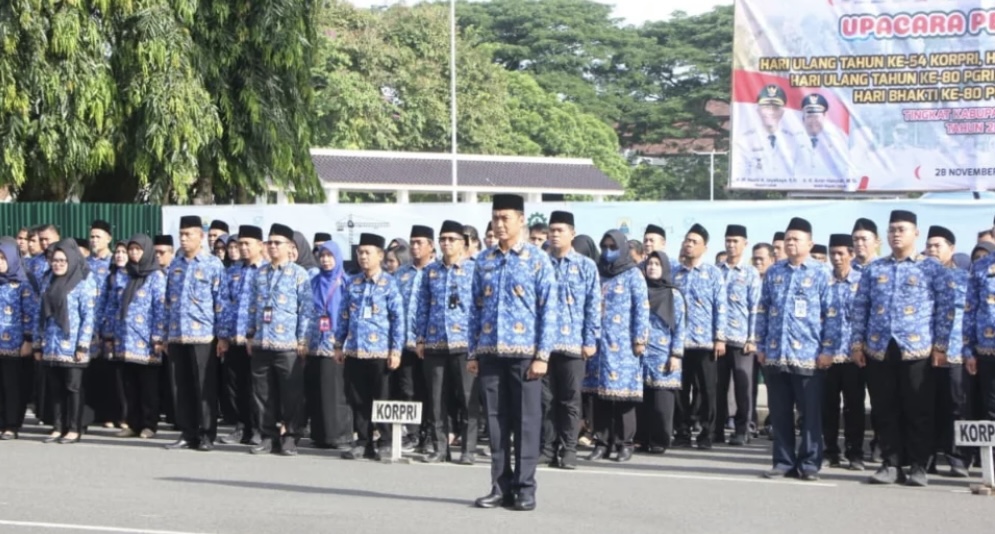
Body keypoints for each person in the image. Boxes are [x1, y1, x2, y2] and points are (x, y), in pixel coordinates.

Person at [852, 210, 954, 487]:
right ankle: (891, 464)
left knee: (918, 409)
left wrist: (940, 347)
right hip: (879, 348)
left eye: (902, 229)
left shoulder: (931, 268)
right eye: (892, 229)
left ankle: (919, 465)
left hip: (917, 348)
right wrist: (857, 344)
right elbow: (861, 307)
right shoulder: (875, 268)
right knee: (884, 409)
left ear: (915, 234)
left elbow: (946, 309)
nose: (896, 233)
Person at [469, 194, 556, 512]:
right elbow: (474, 311)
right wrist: (473, 352)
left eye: (506, 217)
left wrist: (542, 355)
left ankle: (525, 487)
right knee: (495, 423)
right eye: (495, 217)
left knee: (527, 422)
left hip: (525, 356)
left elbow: (549, 310)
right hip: (491, 352)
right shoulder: (484, 260)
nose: (500, 224)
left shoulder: (536, 259)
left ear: (521, 219)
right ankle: (499, 486)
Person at [756, 217, 832, 481]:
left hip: (809, 355)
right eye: (787, 239)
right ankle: (783, 461)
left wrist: (828, 349)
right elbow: (763, 310)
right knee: (779, 412)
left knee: (810, 415)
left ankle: (810, 463)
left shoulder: (821, 273)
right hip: (777, 354)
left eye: (796, 239)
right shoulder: (775, 272)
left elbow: (831, 315)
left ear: (809, 243)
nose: (790, 243)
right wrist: (761, 345)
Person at [538, 211, 600, 469]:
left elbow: (593, 304)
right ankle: (547, 448)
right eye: (551, 230)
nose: (554, 235)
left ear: (572, 234)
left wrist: (590, 338)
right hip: (544, 345)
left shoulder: (585, 266)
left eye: (559, 230)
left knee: (570, 400)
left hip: (574, 344)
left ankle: (569, 449)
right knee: (545, 400)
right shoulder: (540, 262)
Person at [415, 220, 479, 464]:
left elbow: (481, 307)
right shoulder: (431, 271)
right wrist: (420, 337)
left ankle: (468, 449)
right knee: (436, 398)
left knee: (467, 397)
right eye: (443, 239)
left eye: (451, 239)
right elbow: (421, 306)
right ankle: (440, 447)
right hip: (435, 342)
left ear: (463, 242)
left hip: (465, 344)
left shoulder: (475, 269)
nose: (446, 243)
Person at [335, 233, 403, 461]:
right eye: (360, 252)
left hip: (381, 351)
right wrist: (338, 344)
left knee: (381, 398)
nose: (363, 257)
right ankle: (362, 441)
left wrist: (396, 350)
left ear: (380, 256)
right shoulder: (353, 282)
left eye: (368, 253)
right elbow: (343, 315)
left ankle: (384, 441)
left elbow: (398, 319)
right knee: (358, 398)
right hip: (355, 350)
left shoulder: (389, 284)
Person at [247, 224, 312, 457]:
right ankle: (267, 437)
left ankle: (291, 437)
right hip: (262, 342)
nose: (273, 246)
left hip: (288, 345)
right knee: (262, 393)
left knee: (291, 394)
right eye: (270, 242)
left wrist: (303, 340)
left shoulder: (299, 274)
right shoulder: (260, 274)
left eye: (278, 243)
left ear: (290, 247)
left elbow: (306, 310)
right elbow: (251, 306)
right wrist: (249, 334)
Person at [164, 215, 228, 452]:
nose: (183, 238)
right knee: (181, 386)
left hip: (203, 335)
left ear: (201, 236)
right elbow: (167, 302)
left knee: (204, 387)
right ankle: (187, 432)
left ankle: (206, 433)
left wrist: (222, 336)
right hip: (177, 334)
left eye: (188, 234)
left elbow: (220, 302)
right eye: (181, 234)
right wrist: (164, 335)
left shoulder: (212, 264)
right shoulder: (176, 264)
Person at [584, 231, 648, 463]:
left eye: (613, 246)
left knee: (623, 397)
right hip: (598, 346)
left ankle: (624, 443)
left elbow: (642, 309)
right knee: (599, 396)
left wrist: (640, 339)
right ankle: (602, 442)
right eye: (605, 246)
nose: (609, 251)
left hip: (623, 345)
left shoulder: (633, 275)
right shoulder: (597, 274)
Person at [104, 235, 167, 439]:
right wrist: (110, 333)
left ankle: (149, 424)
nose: (133, 253)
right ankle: (133, 423)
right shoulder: (123, 275)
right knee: (128, 386)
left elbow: (160, 308)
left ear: (146, 251)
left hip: (146, 341)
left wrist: (158, 337)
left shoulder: (156, 276)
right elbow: (113, 305)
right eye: (131, 249)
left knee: (148, 386)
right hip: (124, 339)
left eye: (138, 249)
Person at [35, 240, 97, 444]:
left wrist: (83, 345)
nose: (58, 264)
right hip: (51, 345)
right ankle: (58, 426)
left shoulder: (83, 281)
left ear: (71, 261)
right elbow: (40, 314)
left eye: (63, 261)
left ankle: (74, 428)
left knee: (73, 387)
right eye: (55, 260)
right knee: (55, 389)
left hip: (72, 346)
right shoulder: (48, 281)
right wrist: (38, 343)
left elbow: (88, 315)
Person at [673, 224, 727, 449]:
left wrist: (720, 337)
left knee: (707, 390)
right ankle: (682, 433)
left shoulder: (713, 273)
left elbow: (720, 306)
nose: (689, 244)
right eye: (687, 240)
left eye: (694, 241)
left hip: (706, 342)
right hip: (680, 343)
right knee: (680, 390)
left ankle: (707, 433)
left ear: (705, 247)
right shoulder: (675, 273)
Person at [924, 225, 970, 478]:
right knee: (926, 407)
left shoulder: (964, 278)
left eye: (937, 245)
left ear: (951, 249)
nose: (931, 250)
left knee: (955, 408)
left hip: (955, 354)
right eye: (928, 245)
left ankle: (956, 459)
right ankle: (926, 458)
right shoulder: (920, 275)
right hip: (924, 354)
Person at [821, 234, 865, 471]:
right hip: (827, 355)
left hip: (853, 356)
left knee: (854, 407)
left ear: (851, 254)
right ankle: (830, 451)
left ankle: (855, 453)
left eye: (841, 253)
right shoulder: (822, 281)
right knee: (828, 408)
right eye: (833, 253)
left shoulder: (862, 280)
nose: (836, 258)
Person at [218, 226, 265, 446]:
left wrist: (253, 334)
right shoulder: (232, 271)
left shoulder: (266, 271)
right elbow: (225, 304)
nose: (243, 248)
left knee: (255, 387)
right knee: (235, 385)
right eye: (240, 244)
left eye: (248, 244)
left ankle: (257, 428)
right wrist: (223, 336)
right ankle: (241, 427)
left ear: (260, 246)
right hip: (233, 338)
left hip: (256, 340)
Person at [716, 224, 761, 446]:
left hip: (742, 340)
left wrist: (752, 338)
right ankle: (715, 430)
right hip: (718, 340)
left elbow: (755, 308)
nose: (731, 245)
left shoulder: (751, 273)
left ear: (745, 244)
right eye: (728, 240)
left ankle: (742, 430)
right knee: (718, 387)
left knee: (743, 388)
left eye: (735, 241)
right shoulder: (716, 271)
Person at [305, 241, 353, 450]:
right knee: (317, 390)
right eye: (322, 256)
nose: (325, 260)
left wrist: (341, 342)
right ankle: (320, 434)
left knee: (336, 390)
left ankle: (340, 435)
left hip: (336, 344)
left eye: (329, 256)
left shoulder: (345, 282)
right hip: (315, 342)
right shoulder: (314, 282)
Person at [639, 251, 685, 454]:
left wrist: (676, 354)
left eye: (657, 264)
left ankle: (660, 440)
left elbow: (680, 326)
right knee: (642, 401)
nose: (652, 267)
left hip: (664, 355)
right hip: (641, 354)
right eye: (650, 263)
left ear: (665, 268)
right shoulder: (640, 290)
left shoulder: (673, 294)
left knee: (661, 403)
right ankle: (642, 438)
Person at [393, 226, 434, 451]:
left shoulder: (436, 271)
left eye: (420, 243)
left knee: (430, 391)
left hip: (430, 344)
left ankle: (429, 435)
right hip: (405, 343)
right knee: (407, 390)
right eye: (412, 243)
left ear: (431, 245)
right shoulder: (402, 273)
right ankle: (413, 433)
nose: (415, 247)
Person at [92, 241, 129, 430]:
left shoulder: (135, 275)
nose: (120, 255)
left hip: (129, 334)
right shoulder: (111, 276)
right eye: (118, 252)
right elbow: (104, 303)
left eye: (124, 252)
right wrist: (101, 327)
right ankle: (110, 414)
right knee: (110, 376)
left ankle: (125, 416)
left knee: (126, 378)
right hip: (110, 331)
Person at [0, 240, 31, 439]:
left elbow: (29, 314)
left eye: (3, 258)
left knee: (12, 385)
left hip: (14, 343)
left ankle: (12, 424)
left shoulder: (22, 284)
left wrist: (28, 340)